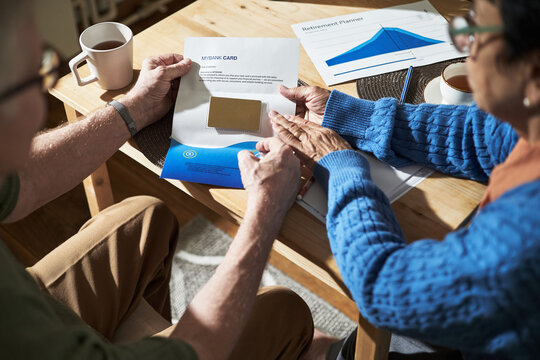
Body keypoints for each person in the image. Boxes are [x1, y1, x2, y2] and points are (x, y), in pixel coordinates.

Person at [0, 2, 337, 359]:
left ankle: (157, 330)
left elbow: (19, 179)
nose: (38, 107)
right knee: (284, 311)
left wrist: (135, 109)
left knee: (145, 218)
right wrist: (264, 212)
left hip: (34, 296)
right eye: (24, 81)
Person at [268, 0, 540, 358]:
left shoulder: (525, 235)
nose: (465, 46)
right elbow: (481, 135)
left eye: (477, 33)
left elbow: (386, 286)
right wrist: (350, 115)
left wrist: (340, 167)